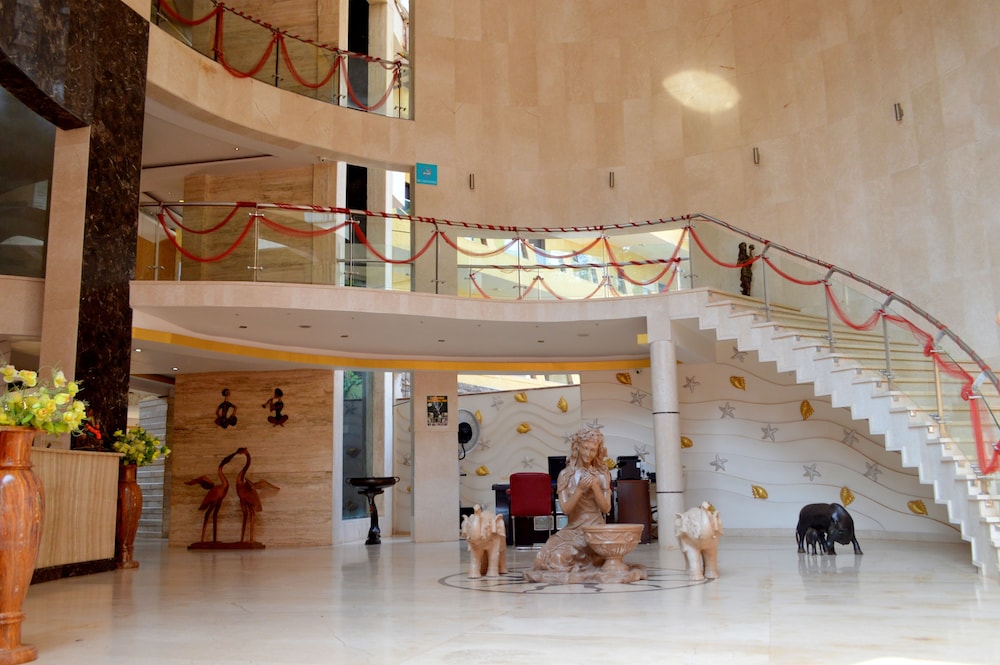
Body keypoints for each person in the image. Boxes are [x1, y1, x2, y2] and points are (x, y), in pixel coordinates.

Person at [529, 427, 612, 573]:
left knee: (558, 557)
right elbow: (566, 510)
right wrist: (579, 489)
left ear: (598, 451)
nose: (588, 453)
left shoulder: (602, 474)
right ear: (577, 447)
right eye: (585, 448)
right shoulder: (565, 475)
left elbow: (606, 509)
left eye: (593, 450)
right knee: (541, 558)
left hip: (593, 529)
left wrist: (595, 487)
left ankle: (591, 559)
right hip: (572, 529)